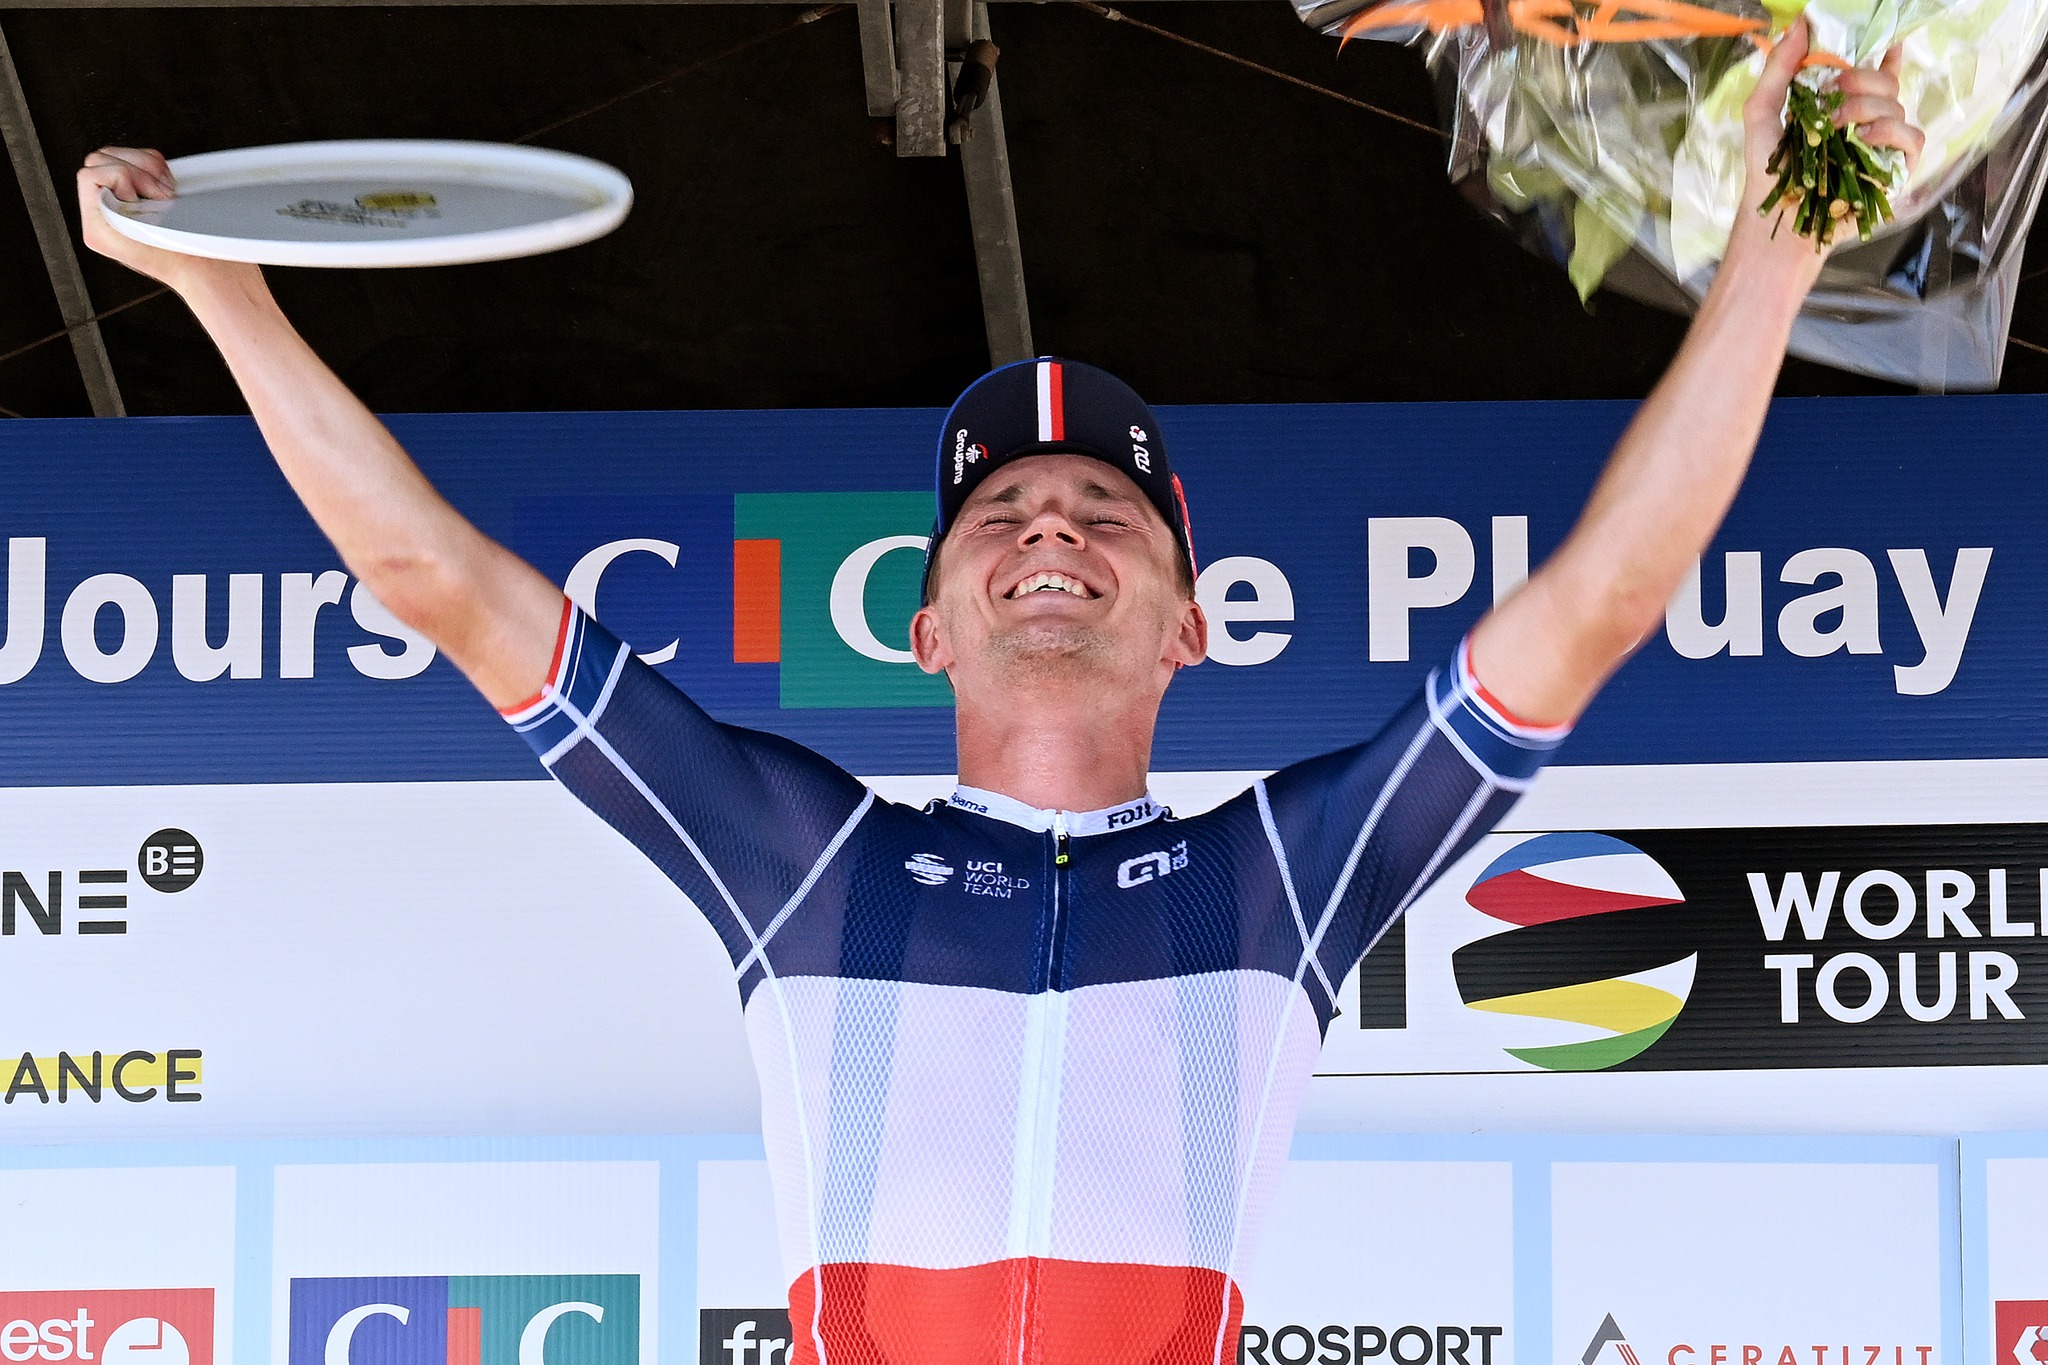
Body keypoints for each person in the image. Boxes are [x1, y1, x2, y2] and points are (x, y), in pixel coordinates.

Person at [76, 23, 1919, 1364]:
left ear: (1193, 624)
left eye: (1107, 512)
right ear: (926, 624)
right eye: (1000, 515)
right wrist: (218, 292)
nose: (1051, 530)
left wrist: (1780, 241)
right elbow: (437, 583)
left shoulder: (1280, 875)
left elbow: (1604, 599)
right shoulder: (802, 858)